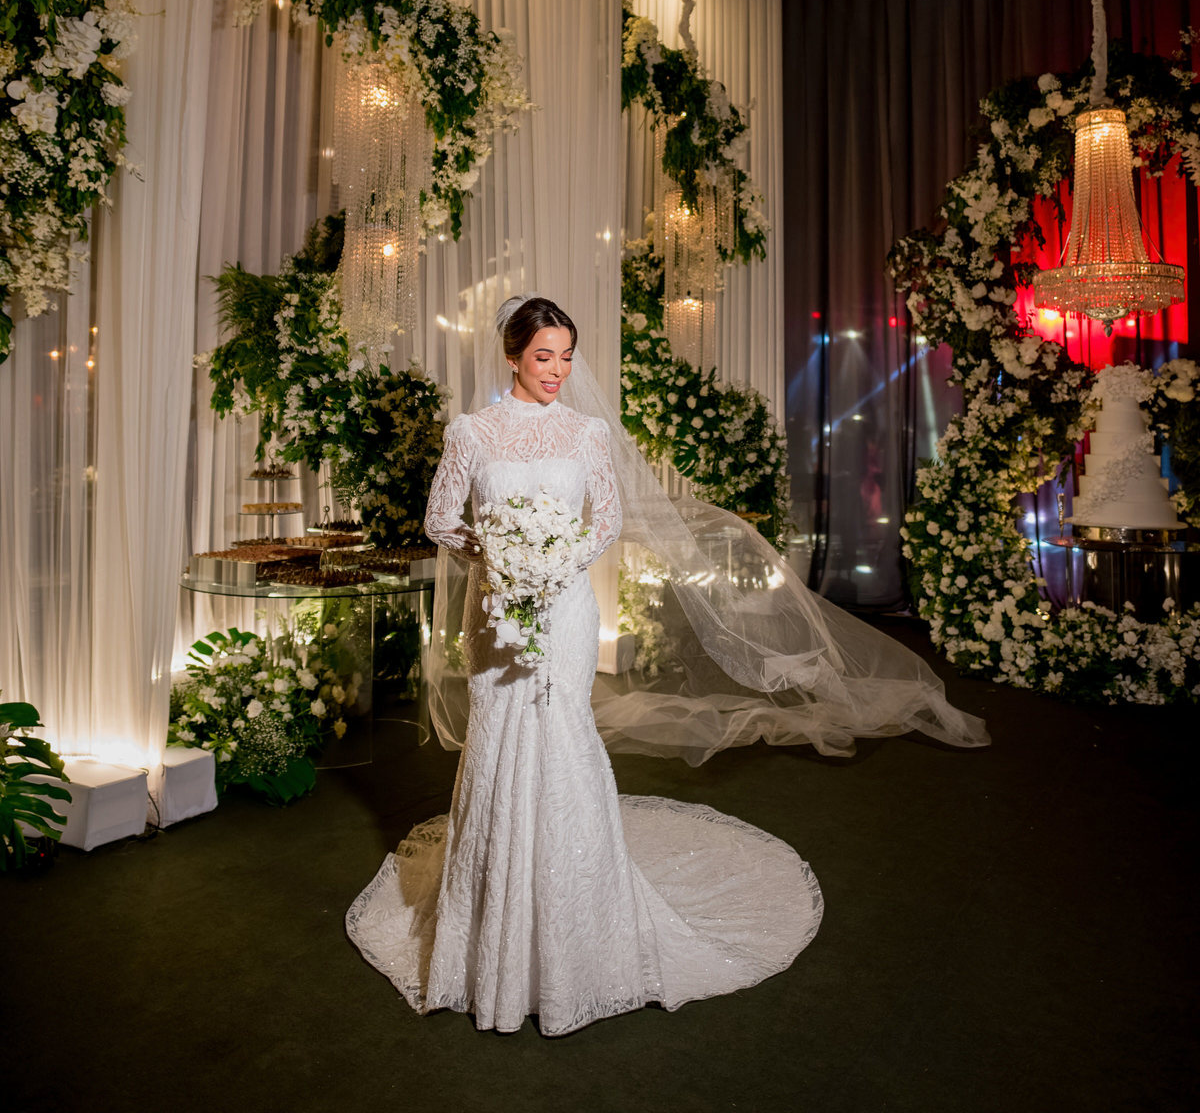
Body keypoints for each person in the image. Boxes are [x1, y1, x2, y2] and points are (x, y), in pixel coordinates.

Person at [346, 296, 986, 1036]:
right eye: (544, 356)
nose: (557, 370)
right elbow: (440, 518)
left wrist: (553, 564)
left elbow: (607, 520)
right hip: (498, 614)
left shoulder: (587, 433)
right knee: (498, 742)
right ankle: (491, 928)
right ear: (513, 355)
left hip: (563, 610)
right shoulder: (472, 432)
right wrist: (497, 558)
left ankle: (577, 925)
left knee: (563, 738)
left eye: (567, 356)